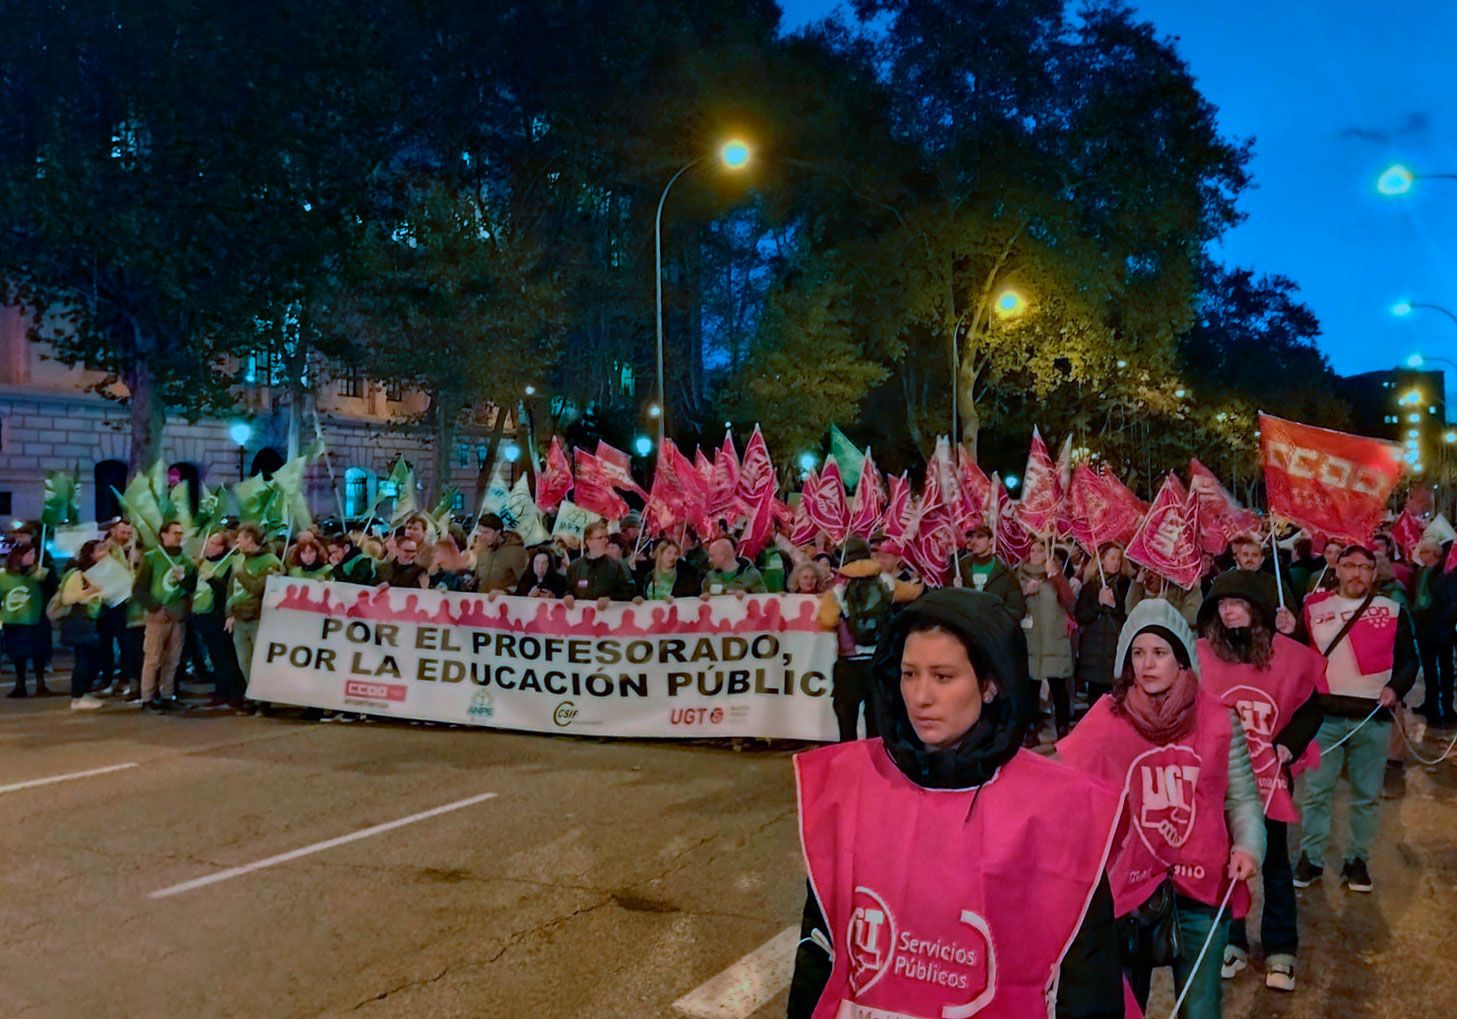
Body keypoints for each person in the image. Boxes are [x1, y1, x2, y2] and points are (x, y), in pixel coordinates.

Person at [787, 588, 1126, 1017]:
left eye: (943, 677)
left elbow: (1088, 982)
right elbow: (818, 948)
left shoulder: (1058, 808)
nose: (921, 696)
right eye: (909, 674)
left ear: (989, 685)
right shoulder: (850, 784)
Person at [1058, 599, 1265, 1019]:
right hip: (1127, 890)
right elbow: (1066, 791)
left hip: (1201, 888)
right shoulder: (1106, 719)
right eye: (1138, 652)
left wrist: (1248, 846)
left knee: (1201, 1007)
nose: (1147, 664)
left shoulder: (1220, 720)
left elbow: (1242, 796)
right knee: (1120, 1005)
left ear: (1182, 659)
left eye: (1159, 653)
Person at [1196, 572, 1327, 993]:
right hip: (1220, 781)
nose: (1228, 610)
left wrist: (1288, 745)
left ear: (1256, 608)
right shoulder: (1201, 655)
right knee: (1225, 861)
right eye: (1222, 604)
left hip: (1267, 778)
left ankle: (1281, 948)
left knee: (1274, 865)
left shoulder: (1284, 653)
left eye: (1237, 602)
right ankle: (1232, 939)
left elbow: (1311, 708)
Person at [1295, 543, 1418, 894]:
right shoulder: (1313, 607)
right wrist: (1288, 627)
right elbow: (1299, 654)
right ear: (1337, 568)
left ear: (1374, 572)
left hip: (1372, 718)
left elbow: (1410, 660)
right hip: (1325, 716)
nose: (1356, 574)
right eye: (1349, 566)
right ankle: (1312, 857)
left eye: (1365, 567)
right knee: (1317, 792)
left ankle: (1357, 859)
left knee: (1367, 795)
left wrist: (1395, 688)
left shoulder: (1392, 610)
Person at [816, 537, 921, 743]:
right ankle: (874, 766)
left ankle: (849, 763)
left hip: (849, 664)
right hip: (879, 662)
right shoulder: (887, 583)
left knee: (847, 721)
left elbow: (826, 621)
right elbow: (913, 593)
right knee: (876, 722)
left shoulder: (837, 591)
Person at [133, 521, 197, 711]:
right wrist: (154, 608)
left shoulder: (186, 561)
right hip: (158, 615)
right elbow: (139, 589)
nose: (178, 536)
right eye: (174, 533)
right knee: (153, 658)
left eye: (180, 533)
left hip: (178, 615)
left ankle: (168, 694)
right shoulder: (152, 558)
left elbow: (191, 587)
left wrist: (183, 580)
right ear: (164, 535)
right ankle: (147, 697)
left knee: (173, 659)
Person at [1018, 541, 1077, 742]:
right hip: (1031, 639)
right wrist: (1024, 592)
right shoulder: (1019, 575)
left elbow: (1069, 600)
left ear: (1048, 554)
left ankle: (1062, 727)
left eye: (1040, 550)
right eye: (1032, 550)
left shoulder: (1055, 575)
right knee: (1031, 687)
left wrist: (1057, 577)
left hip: (1054, 639)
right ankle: (1031, 729)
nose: (1035, 553)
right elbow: (1011, 603)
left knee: (1058, 684)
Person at [50, 539, 109, 710]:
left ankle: (83, 694)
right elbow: (68, 598)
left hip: (88, 620)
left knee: (92, 659)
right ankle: (78, 697)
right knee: (84, 659)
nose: (103, 553)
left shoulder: (97, 574)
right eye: (99, 550)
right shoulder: (77, 574)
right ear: (90, 554)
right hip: (77, 621)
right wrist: (90, 592)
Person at [1073, 543, 1131, 709]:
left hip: (1115, 649)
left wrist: (1114, 605)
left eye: (1118, 559)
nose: (1116, 562)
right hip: (1094, 651)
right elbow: (1081, 616)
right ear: (1102, 559)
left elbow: (1128, 616)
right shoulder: (1090, 586)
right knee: (1095, 701)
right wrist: (1099, 604)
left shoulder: (1125, 585)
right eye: (1112, 558)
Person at [192, 530, 245, 710]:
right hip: (204, 615)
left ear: (222, 547)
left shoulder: (230, 563)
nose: (208, 546)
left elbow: (229, 589)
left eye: (213, 543)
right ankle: (220, 691)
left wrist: (213, 579)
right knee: (215, 657)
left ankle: (234, 693)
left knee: (227, 657)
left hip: (220, 616)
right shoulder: (203, 563)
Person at [225, 524, 282, 692]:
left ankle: (263, 699)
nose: (236, 540)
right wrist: (229, 613)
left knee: (260, 661)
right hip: (239, 618)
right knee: (244, 662)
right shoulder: (238, 559)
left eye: (240, 537)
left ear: (250, 539)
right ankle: (253, 694)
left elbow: (258, 589)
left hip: (258, 618)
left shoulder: (269, 561)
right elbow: (230, 589)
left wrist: (241, 573)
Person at [1, 544, 60, 697]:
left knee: (39, 653)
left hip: (36, 619)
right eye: (29, 554)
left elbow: (54, 590)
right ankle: (20, 685)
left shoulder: (39, 575)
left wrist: (45, 577)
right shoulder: (5, 576)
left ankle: (41, 684)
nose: (32, 557)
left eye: (34, 554)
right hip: (14, 621)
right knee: (18, 654)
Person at [1412, 538, 1457, 728]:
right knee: (1429, 671)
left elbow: (1453, 602)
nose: (1424, 556)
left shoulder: (1447, 574)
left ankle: (1446, 708)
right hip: (1424, 629)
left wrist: (1443, 621)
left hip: (1442, 629)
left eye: (1427, 552)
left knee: (1445, 670)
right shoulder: (1420, 572)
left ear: (1436, 555)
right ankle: (1430, 704)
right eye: (1422, 552)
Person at [1225, 534, 1301, 638]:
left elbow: (1292, 613)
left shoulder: (1275, 584)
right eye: (1245, 555)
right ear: (1238, 557)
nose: (1250, 559)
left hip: (1269, 639)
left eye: (1255, 555)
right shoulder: (1227, 582)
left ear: (1262, 559)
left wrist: (1286, 619)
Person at [953, 524, 1026, 620]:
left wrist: (997, 621)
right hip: (967, 630)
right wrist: (956, 592)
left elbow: (1016, 608)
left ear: (991, 541)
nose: (974, 541)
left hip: (993, 631)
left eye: (980, 537)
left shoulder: (1004, 571)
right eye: (972, 537)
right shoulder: (960, 568)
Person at [565, 521, 636, 603]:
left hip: (608, 614)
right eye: (601, 538)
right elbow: (568, 588)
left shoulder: (618, 566)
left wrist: (610, 598)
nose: (606, 541)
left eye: (607, 537)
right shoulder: (575, 566)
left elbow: (629, 592)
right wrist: (568, 596)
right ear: (588, 541)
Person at [1126, 567, 1202, 629]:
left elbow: (1193, 617)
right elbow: (1130, 612)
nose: (1155, 575)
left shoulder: (1183, 588)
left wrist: (1165, 608)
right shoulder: (1139, 587)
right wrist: (1136, 584)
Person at [473, 513, 526, 593]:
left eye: (486, 532)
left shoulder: (515, 551)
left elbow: (526, 584)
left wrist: (507, 592)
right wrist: (471, 582)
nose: (482, 536)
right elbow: (478, 578)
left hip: (506, 603)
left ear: (498, 532)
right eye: (480, 532)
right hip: (482, 603)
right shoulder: (481, 550)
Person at [700, 536, 766, 595]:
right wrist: (705, 598)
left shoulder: (752, 575)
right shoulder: (709, 577)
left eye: (712, 556)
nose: (709, 560)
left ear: (723, 556)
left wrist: (746, 598)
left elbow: (764, 601)